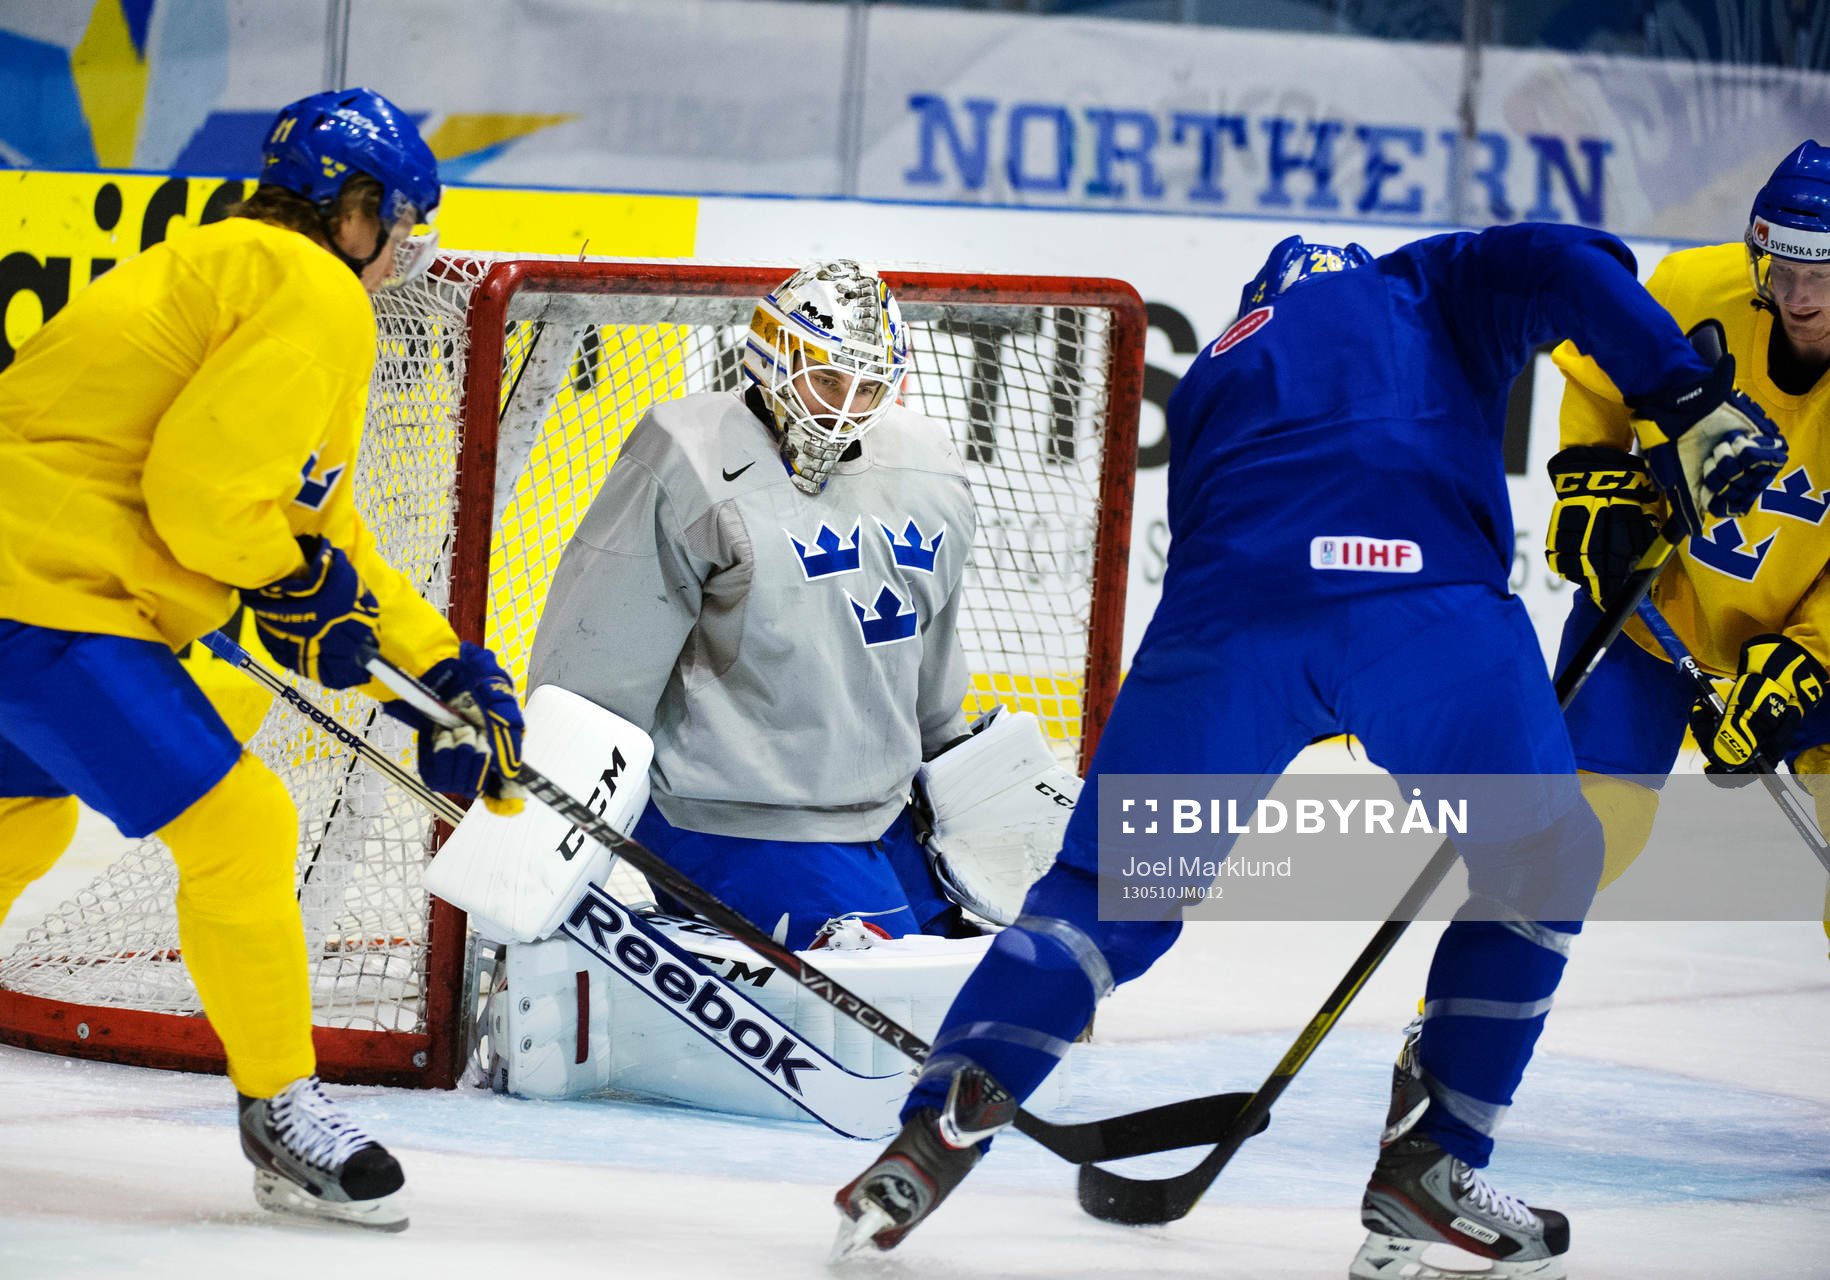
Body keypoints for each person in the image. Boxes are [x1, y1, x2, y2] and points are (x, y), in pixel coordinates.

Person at [831, 226, 1787, 1279]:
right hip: (1415, 601)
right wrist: (1684, 397)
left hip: (1227, 625)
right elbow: (1577, 266)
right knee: (1543, 860)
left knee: (1106, 896)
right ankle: (1436, 1156)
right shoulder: (1420, 285)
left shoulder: (1213, 374)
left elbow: (1253, 555)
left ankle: (937, 1122)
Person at [0, 88, 525, 1231]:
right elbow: (205, 503)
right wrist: (286, 585)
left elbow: (311, 526)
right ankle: (282, 1109)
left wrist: (438, 665)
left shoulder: (230, 271)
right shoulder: (315, 292)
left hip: (27, 577)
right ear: (355, 211)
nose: (404, 258)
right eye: (404, 227)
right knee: (242, 825)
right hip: (40, 604)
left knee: (19, 820)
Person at [525, 259, 982, 952]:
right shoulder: (689, 456)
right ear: (771, 352)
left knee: (980, 965)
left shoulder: (927, 468)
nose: (843, 406)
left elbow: (931, 653)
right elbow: (595, 665)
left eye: (867, 388)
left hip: (881, 810)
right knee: (891, 1018)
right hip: (732, 809)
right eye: (828, 378)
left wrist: (955, 778)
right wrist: (549, 824)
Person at [1544, 140, 1830, 947]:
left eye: (1823, 276)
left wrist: (1807, 659)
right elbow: (1598, 377)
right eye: (1782, 271)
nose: (1799, 298)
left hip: (1803, 642)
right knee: (1581, 840)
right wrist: (1594, 479)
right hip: (1650, 611)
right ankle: (1455, 1034)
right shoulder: (1691, 290)